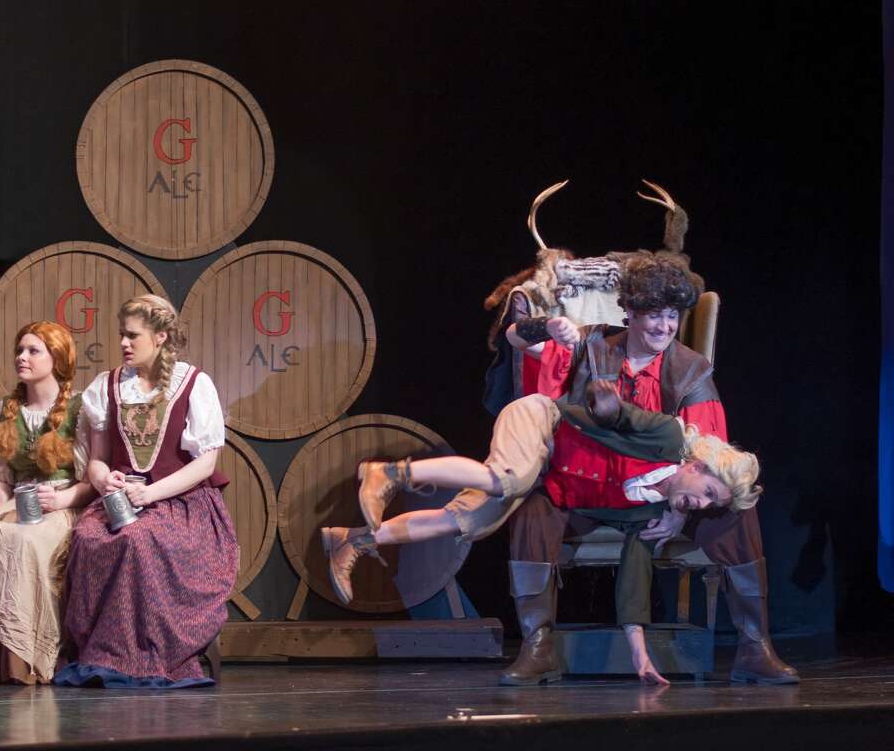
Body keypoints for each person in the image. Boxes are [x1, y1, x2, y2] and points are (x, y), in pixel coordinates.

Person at [324, 254, 797, 685]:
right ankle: (537, 646)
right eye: (654, 314)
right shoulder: (593, 345)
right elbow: (513, 338)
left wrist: (678, 512)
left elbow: (706, 454)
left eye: (673, 316)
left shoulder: (689, 372)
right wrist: (550, 326)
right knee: (527, 504)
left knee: (736, 511)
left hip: (644, 500)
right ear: (628, 312)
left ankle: (755, 648)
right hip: (578, 488)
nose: (664, 326)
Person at [55, 295, 237, 689]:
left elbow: (205, 464)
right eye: (122, 334)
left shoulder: (194, 383)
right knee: (88, 536)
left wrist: (152, 495)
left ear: (160, 337)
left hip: (182, 504)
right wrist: (104, 480)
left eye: (132, 335)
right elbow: (98, 460)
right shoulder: (108, 385)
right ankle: (98, 652)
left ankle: (143, 654)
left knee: (138, 539)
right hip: (121, 499)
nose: (123, 343)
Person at [0, 320, 93, 685]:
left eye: (32, 350)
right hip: (20, 502)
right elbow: (2, 477)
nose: (21, 357)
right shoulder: (3, 411)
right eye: (19, 350)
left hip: (65, 505)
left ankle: (25, 657)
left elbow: (92, 481)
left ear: (55, 358)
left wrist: (61, 498)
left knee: (26, 542)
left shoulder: (79, 409)